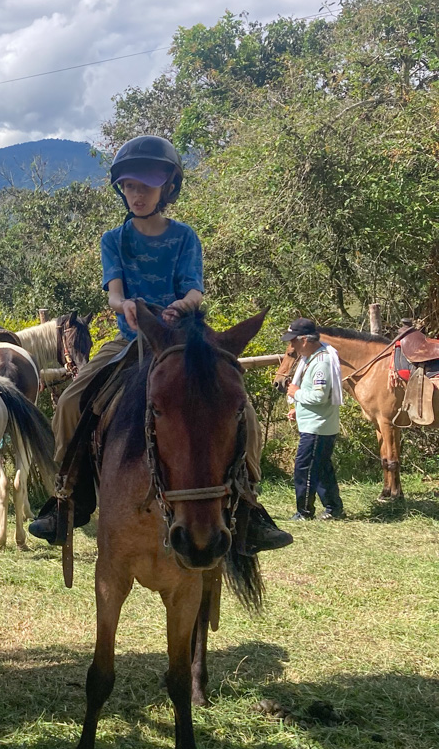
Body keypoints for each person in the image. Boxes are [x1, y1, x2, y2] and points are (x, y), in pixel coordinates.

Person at [29, 134, 292, 554]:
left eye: (146, 186)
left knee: (242, 409)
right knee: (70, 402)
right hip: (129, 340)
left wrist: (178, 308)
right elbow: (113, 293)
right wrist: (126, 304)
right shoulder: (113, 239)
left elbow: (194, 291)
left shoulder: (185, 237)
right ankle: (68, 498)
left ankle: (248, 506)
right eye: (130, 186)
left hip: (180, 342)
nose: (136, 194)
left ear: (167, 188)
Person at [282, 317, 345, 521]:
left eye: (294, 341)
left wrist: (296, 394)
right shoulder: (313, 358)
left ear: (305, 340)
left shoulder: (321, 362)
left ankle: (305, 512)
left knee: (305, 469)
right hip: (318, 424)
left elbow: (319, 396)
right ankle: (333, 508)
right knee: (322, 468)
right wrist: (298, 409)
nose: (291, 345)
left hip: (317, 428)